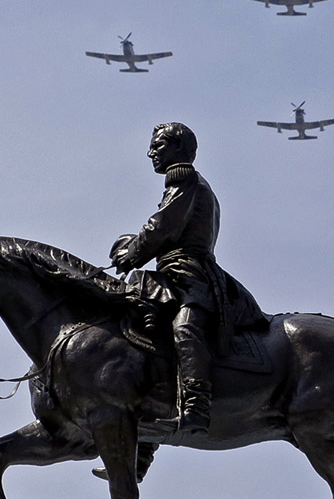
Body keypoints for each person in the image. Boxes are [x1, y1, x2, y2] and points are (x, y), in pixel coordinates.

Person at [110, 122, 266, 434]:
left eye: (158, 146)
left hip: (190, 276)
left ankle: (196, 407)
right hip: (174, 274)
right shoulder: (189, 182)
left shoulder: (185, 178)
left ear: (179, 149)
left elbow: (163, 225)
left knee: (185, 329)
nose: (150, 152)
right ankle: (145, 443)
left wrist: (133, 253)